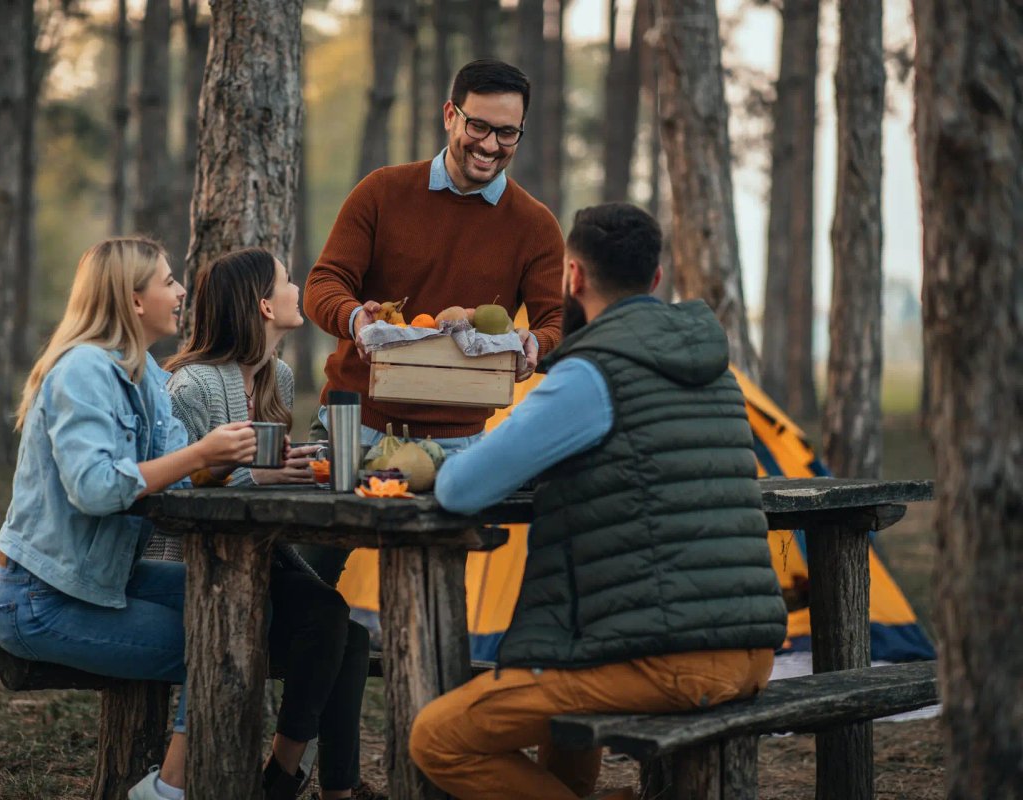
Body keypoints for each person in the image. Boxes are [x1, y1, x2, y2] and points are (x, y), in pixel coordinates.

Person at [408, 203, 789, 800]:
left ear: (574, 279)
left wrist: (427, 460)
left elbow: (461, 490)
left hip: (668, 659)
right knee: (563, 695)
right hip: (749, 652)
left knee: (437, 738)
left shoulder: (592, 373)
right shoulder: (713, 369)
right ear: (656, 280)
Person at [0, 237, 258, 800]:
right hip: (40, 599)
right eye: (167, 282)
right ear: (134, 302)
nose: (181, 292)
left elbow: (178, 482)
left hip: (105, 578)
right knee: (213, 642)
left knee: (241, 604)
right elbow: (97, 488)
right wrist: (201, 452)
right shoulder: (84, 371)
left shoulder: (150, 378)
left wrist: (266, 473)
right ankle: (169, 789)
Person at [301, 58, 565, 585]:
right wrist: (356, 318)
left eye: (507, 132)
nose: (491, 145)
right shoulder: (382, 191)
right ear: (450, 115)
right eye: (479, 126)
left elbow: (556, 322)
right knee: (302, 579)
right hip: (353, 427)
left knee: (433, 593)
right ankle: (327, 659)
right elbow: (322, 285)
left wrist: (535, 344)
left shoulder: (535, 226)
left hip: (457, 446)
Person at [146, 248, 381, 800]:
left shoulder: (275, 373)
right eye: (286, 280)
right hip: (192, 569)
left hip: (257, 556)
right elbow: (177, 497)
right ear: (263, 307)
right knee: (329, 618)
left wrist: (300, 468)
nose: (297, 288)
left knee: (346, 631)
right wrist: (264, 480)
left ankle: (309, 781)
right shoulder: (192, 388)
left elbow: (256, 470)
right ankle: (283, 778)